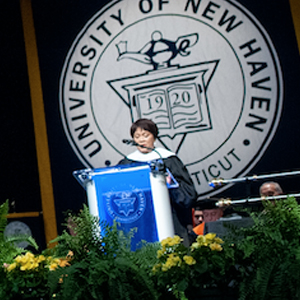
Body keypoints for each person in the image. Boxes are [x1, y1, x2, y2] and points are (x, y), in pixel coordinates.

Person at [118, 118, 197, 246]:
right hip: (140, 223)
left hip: (171, 220)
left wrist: (170, 185)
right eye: (137, 136)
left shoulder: (168, 160)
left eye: (145, 135)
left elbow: (188, 195)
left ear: (154, 137)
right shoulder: (127, 163)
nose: (141, 140)